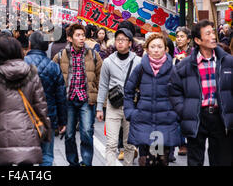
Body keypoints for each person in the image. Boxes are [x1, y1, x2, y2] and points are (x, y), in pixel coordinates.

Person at [0, 36, 51, 166]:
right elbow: (40, 105)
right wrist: (46, 127)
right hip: (27, 129)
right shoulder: (31, 73)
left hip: (2, 129)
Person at [169, 19, 233, 166]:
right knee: (195, 161)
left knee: (222, 160)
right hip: (197, 115)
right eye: (208, 33)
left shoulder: (228, 61)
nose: (213, 37)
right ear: (197, 40)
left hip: (220, 117)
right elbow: (174, 90)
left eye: (213, 32)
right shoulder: (185, 65)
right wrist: (184, 110)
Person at [123, 32, 181, 166]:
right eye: (153, 47)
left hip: (165, 122)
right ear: (147, 49)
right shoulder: (140, 68)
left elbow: (181, 94)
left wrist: (176, 114)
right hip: (143, 121)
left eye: (160, 47)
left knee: (161, 161)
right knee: (146, 161)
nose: (156, 50)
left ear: (166, 49)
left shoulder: (173, 70)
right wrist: (131, 113)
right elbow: (128, 91)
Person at [52, 23, 103, 166]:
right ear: (69, 38)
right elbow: (53, 77)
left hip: (86, 99)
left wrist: (98, 100)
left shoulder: (93, 54)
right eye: (78, 35)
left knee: (86, 132)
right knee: (69, 135)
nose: (82, 38)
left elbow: (101, 78)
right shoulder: (60, 56)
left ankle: (86, 162)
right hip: (68, 100)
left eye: (83, 35)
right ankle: (72, 162)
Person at [96, 28, 141, 166]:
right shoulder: (108, 61)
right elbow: (103, 85)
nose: (120, 42)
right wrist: (99, 107)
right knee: (111, 143)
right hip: (113, 105)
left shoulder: (138, 61)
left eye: (124, 40)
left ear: (130, 43)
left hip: (131, 106)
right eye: (118, 39)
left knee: (129, 144)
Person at [24, 31, 67, 166]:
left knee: (26, 155)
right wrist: (62, 120)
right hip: (48, 116)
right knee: (47, 155)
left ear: (29, 44)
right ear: (46, 46)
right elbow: (60, 96)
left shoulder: (21, 64)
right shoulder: (53, 66)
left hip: (25, 116)